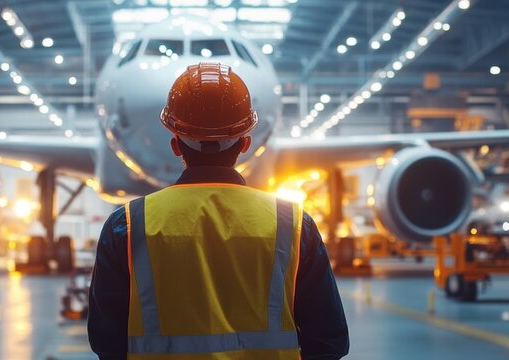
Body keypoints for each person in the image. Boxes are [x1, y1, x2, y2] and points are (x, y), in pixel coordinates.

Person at [88, 63, 349, 359]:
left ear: (175, 144)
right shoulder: (293, 224)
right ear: (245, 143)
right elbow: (330, 341)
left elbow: (105, 341)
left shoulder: (128, 225)